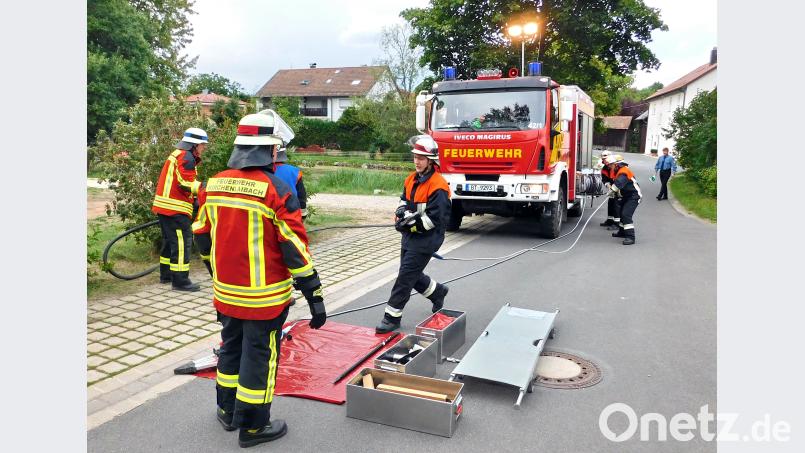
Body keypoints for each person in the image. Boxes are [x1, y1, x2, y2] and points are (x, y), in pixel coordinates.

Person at [192, 111, 326, 448]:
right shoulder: (276, 190)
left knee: (231, 348)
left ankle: (226, 410)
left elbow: (202, 236)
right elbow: (294, 248)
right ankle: (253, 427)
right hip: (264, 300)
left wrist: (215, 272)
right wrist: (314, 294)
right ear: (270, 151)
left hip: (226, 294)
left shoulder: (213, 184)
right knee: (259, 358)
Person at [376, 135, 451, 334]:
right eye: (415, 157)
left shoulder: (439, 186)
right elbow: (403, 200)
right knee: (411, 274)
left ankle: (391, 317)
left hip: (427, 240)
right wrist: (400, 214)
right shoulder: (411, 179)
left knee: (404, 278)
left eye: (421, 158)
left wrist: (410, 226)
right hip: (410, 237)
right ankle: (437, 292)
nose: (416, 161)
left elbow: (436, 220)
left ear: (431, 161)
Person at [152, 127, 207, 291]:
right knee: (183, 243)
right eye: (203, 145)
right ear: (195, 145)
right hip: (175, 209)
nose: (204, 148)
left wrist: (195, 200)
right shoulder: (186, 156)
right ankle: (180, 281)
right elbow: (185, 183)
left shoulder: (178, 154)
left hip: (165, 206)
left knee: (170, 242)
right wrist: (206, 188)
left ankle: (166, 275)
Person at [607, 155, 642, 245]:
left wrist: (612, 190)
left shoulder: (624, 171)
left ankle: (631, 237)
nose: (609, 166)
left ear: (616, 164)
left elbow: (619, 183)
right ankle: (622, 232)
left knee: (626, 214)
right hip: (626, 196)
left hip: (634, 196)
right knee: (622, 213)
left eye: (611, 165)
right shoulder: (618, 170)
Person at [272, 147, 308, 220]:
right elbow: (301, 197)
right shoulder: (295, 171)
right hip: (289, 214)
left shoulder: (260, 171)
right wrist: (303, 215)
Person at [598, 151, 620, 228]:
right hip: (612, 187)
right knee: (611, 203)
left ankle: (617, 223)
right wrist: (608, 185)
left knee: (616, 204)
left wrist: (614, 188)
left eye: (604, 159)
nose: (603, 160)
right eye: (603, 159)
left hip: (619, 188)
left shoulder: (615, 167)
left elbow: (619, 179)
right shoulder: (605, 168)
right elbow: (604, 179)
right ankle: (610, 220)